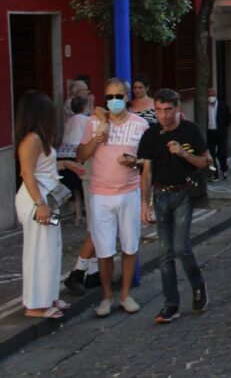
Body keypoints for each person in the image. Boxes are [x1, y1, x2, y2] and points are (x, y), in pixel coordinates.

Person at [77, 78, 149, 317]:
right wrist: (97, 139)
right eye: (109, 97)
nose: (114, 101)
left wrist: (135, 162)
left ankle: (125, 295)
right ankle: (106, 296)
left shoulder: (140, 125)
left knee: (130, 246)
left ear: (127, 97)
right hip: (100, 195)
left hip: (129, 192)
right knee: (104, 250)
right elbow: (80, 155)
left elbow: (148, 161)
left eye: (119, 96)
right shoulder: (95, 122)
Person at [138, 89, 212, 323]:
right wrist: (144, 203)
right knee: (164, 252)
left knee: (181, 247)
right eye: (159, 110)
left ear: (177, 108)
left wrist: (182, 153)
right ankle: (171, 303)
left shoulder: (190, 131)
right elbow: (146, 172)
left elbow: (205, 162)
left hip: (184, 193)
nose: (164, 115)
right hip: (161, 194)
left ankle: (198, 286)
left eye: (168, 110)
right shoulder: (151, 134)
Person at [16, 91, 71, 319]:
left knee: (51, 248)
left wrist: (67, 164)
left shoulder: (40, 138)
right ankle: (36, 304)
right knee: (39, 251)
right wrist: (40, 204)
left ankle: (48, 296)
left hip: (46, 199)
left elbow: (43, 169)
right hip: (37, 201)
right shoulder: (33, 139)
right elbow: (27, 173)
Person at [58, 94, 90, 225]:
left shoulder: (70, 120)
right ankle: (86, 215)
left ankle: (78, 215)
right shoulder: (85, 120)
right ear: (85, 107)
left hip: (63, 153)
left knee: (75, 189)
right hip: (76, 154)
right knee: (82, 185)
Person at [206, 87, 231, 181]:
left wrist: (223, 127)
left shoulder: (223, 106)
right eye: (209, 95)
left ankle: (224, 169)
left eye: (212, 95)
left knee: (222, 153)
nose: (211, 97)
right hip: (210, 133)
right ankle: (215, 173)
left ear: (215, 95)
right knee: (211, 154)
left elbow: (229, 119)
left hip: (220, 133)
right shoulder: (205, 107)